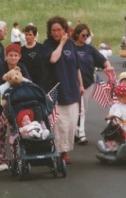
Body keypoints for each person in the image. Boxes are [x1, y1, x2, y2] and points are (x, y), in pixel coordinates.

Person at [43, 16, 83, 164]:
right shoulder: (48, 45)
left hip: (72, 88)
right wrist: (61, 43)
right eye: (53, 30)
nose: (56, 33)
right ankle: (60, 153)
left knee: (72, 123)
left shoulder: (71, 44)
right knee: (60, 124)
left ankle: (65, 150)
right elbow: (53, 59)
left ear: (64, 30)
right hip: (56, 89)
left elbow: (77, 66)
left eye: (59, 30)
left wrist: (81, 85)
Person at [72, 23, 114, 145]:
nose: (85, 37)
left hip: (88, 84)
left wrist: (109, 69)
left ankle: (79, 132)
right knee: (76, 109)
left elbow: (103, 61)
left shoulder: (89, 49)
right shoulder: (70, 48)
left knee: (83, 109)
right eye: (83, 35)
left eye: (87, 35)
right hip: (72, 83)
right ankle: (79, 133)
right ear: (76, 34)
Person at [0, 44, 30, 171]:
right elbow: (2, 83)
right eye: (10, 55)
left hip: (17, 104)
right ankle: (1, 159)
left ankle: (17, 158)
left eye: (15, 55)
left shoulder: (22, 67)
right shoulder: (2, 66)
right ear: (6, 56)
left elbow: (28, 81)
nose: (13, 58)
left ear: (19, 57)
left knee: (16, 133)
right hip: (0, 104)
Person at [20, 25, 46, 89]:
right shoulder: (21, 50)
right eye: (26, 35)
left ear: (34, 36)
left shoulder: (41, 47)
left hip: (41, 81)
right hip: (27, 81)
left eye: (30, 35)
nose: (27, 37)